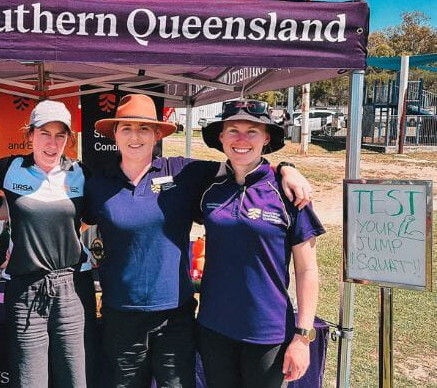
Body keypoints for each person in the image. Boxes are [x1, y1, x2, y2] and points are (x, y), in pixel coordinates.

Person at [82, 94, 312, 388]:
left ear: (156, 134)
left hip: (174, 315)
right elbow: (75, 223)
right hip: (120, 314)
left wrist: (286, 168)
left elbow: (243, 162)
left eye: (143, 129)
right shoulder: (99, 184)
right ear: (114, 134)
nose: (135, 137)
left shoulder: (183, 172)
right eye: (126, 128)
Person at [196, 99, 324, 387]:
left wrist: (302, 338)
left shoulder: (289, 193)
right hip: (214, 327)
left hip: (268, 333)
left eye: (252, 131)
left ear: (267, 138)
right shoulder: (210, 188)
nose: (241, 139)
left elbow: (307, 271)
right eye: (233, 130)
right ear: (220, 137)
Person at [0, 100, 96, 388]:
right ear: (29, 135)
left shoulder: (82, 173)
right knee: (29, 379)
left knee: (74, 376)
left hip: (72, 286)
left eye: (61, 135)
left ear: (70, 139)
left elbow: (92, 217)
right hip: (25, 289)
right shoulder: (8, 169)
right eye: (44, 133)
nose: (52, 142)